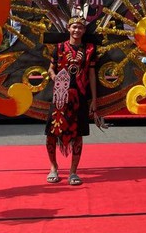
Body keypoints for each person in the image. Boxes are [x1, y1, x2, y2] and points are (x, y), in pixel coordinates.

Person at [45, 15, 97, 186]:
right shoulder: (59, 48)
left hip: (79, 96)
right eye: (74, 27)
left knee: (78, 134)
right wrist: (55, 78)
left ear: (84, 31)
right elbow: (51, 68)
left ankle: (73, 172)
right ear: (68, 28)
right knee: (51, 133)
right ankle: (53, 167)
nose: (77, 30)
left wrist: (94, 100)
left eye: (80, 27)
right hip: (59, 96)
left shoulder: (89, 49)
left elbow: (91, 74)